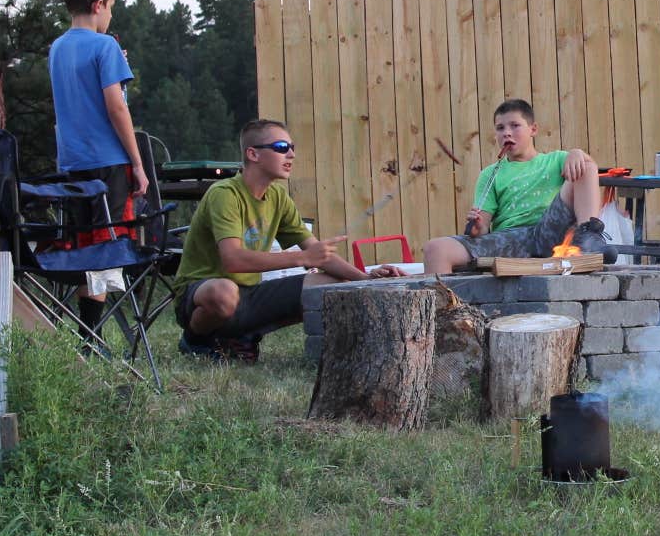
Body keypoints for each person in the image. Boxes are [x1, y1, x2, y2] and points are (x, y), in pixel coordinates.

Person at [172, 119, 402, 362]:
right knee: (224, 292)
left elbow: (317, 253)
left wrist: (365, 280)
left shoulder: (278, 197)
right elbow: (233, 260)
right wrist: (302, 258)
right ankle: (195, 340)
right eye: (281, 147)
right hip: (200, 294)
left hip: (248, 293)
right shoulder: (225, 194)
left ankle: (242, 335)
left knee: (334, 285)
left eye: (292, 147)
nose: (291, 154)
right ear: (253, 154)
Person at [47, 0, 148, 337]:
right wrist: (138, 163)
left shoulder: (57, 48)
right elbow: (116, 107)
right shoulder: (105, 47)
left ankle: (86, 330)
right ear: (98, 4)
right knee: (107, 247)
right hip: (108, 162)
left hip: (73, 164)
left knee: (83, 245)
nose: (110, 16)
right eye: (111, 8)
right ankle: (92, 335)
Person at [419, 99, 609, 275]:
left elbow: (588, 172)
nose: (506, 133)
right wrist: (477, 227)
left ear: (533, 129)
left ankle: (588, 238)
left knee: (585, 166)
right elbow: (482, 228)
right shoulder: (490, 174)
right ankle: (445, 302)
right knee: (435, 249)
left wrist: (577, 153)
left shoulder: (556, 160)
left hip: (551, 231)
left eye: (515, 125)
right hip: (510, 239)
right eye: (500, 128)